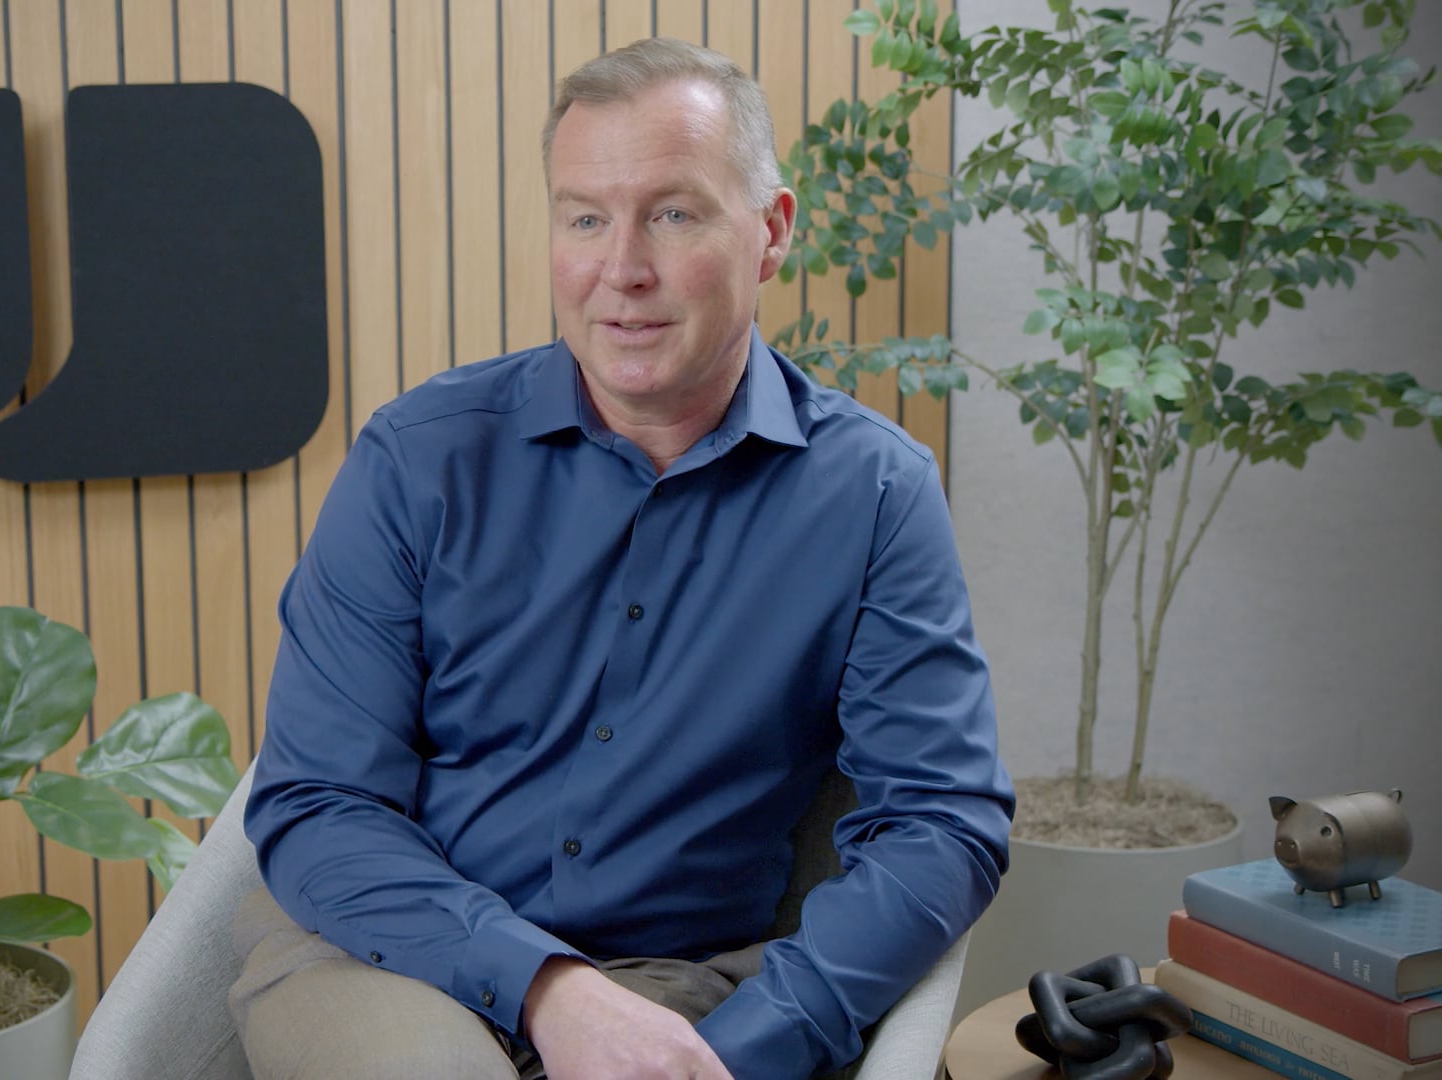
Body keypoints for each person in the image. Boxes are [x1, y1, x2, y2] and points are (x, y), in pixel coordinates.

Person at [233, 36, 1013, 1080]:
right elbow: (318, 801)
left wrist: (758, 1039)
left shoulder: (873, 496)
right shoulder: (418, 460)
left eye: (674, 213)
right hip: (383, 955)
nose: (621, 270)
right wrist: (547, 987)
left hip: (673, 979)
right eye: (586, 217)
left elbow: (940, 818)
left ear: (771, 232)